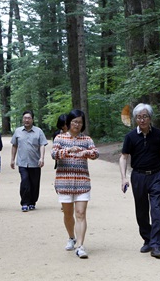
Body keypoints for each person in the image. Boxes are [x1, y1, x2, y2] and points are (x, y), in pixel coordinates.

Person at [119, 103, 160, 259]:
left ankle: (156, 245)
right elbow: (123, 157)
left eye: (145, 116)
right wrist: (123, 178)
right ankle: (147, 239)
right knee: (141, 211)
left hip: (156, 175)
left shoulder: (158, 134)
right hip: (138, 176)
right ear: (135, 119)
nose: (142, 120)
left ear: (150, 118)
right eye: (139, 117)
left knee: (156, 209)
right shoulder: (130, 137)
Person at [52, 109, 99, 259]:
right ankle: (71, 237)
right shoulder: (59, 138)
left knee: (81, 214)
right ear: (69, 123)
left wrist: (86, 153)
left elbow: (96, 153)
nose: (77, 124)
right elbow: (54, 154)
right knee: (68, 214)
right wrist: (68, 150)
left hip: (82, 182)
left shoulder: (86, 140)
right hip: (64, 182)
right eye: (74, 122)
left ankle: (80, 246)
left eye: (80, 122)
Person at [10, 110, 48, 212]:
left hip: (35, 162)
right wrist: (12, 159)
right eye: (25, 118)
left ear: (32, 119)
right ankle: (25, 202)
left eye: (29, 118)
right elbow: (14, 145)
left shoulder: (38, 131)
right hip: (22, 162)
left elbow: (42, 145)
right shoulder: (18, 131)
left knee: (34, 183)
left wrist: (42, 158)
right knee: (25, 182)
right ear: (22, 119)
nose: (26, 120)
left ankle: (32, 202)